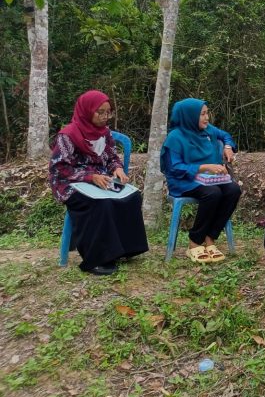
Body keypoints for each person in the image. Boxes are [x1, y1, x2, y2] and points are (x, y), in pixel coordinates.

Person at [49, 90, 148, 275]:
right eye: (100, 112)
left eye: (108, 112)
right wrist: (90, 177)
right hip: (69, 183)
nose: (105, 117)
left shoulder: (105, 133)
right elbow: (60, 167)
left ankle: (126, 249)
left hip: (100, 179)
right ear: (86, 111)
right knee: (99, 204)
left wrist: (117, 168)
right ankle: (96, 259)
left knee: (132, 197)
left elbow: (111, 157)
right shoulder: (68, 135)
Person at [161, 98, 241, 263]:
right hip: (183, 181)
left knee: (233, 190)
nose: (207, 118)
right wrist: (204, 167)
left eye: (207, 113)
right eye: (202, 114)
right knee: (213, 193)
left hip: (209, 179)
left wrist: (227, 146)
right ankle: (194, 242)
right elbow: (174, 168)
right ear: (190, 117)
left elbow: (225, 135)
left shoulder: (208, 130)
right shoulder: (175, 137)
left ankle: (210, 238)